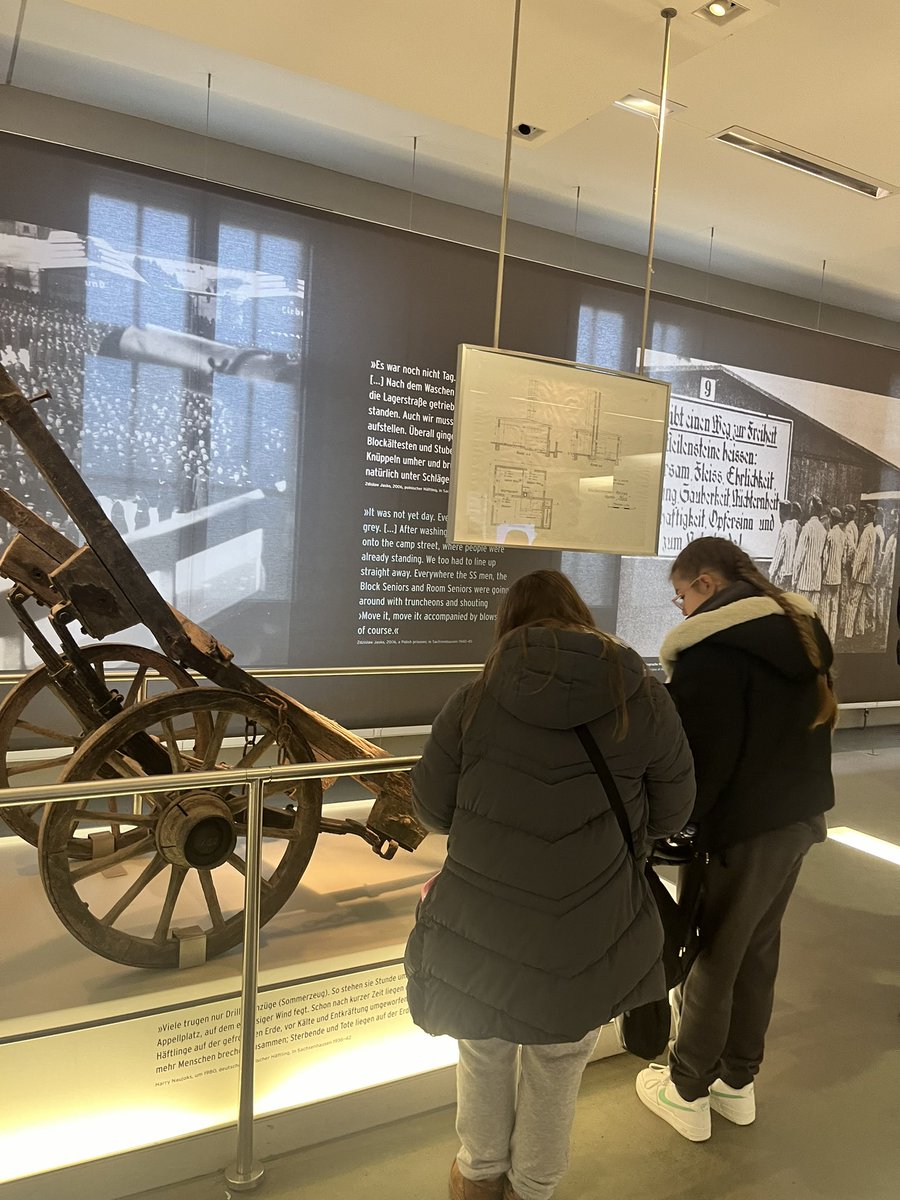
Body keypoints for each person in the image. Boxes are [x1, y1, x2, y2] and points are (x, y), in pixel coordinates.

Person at [405, 569, 695, 1200]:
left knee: (481, 1048)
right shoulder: (642, 697)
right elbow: (675, 812)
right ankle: (534, 1189)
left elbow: (429, 808)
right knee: (559, 1062)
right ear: (582, 619)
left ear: (510, 626)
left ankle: (479, 1174)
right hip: (593, 921)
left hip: (481, 918)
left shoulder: (474, 700)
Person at [635, 536, 835, 1142]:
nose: (681, 610)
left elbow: (701, 758)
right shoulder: (800, 634)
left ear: (706, 583)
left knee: (715, 954)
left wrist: (678, 826)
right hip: (795, 821)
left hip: (739, 831)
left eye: (679, 596)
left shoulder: (713, 651)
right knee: (755, 951)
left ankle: (688, 1089)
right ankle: (737, 1083)